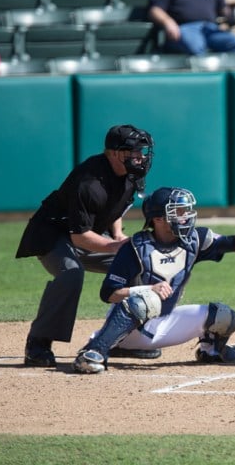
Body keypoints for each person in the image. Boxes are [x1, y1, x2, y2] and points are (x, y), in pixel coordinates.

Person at [72, 187, 235, 373]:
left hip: (165, 323)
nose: (186, 217)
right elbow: (108, 293)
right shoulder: (135, 248)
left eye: (186, 211)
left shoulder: (193, 240)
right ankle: (94, 351)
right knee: (145, 300)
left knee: (223, 316)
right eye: (178, 212)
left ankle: (211, 351)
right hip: (130, 327)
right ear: (158, 219)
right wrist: (148, 289)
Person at [16, 124, 154, 367]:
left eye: (141, 151)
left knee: (138, 264)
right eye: (131, 152)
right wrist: (114, 247)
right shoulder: (89, 182)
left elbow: (116, 206)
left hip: (88, 233)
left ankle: (125, 340)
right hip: (52, 233)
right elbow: (79, 238)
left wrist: (118, 234)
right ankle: (38, 342)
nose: (139, 157)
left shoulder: (131, 174)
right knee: (71, 273)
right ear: (112, 153)